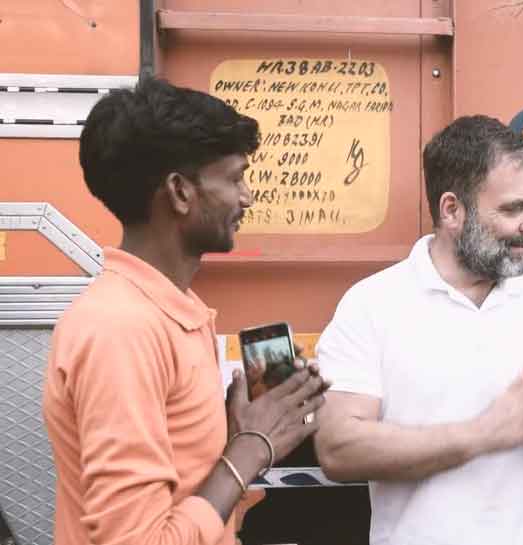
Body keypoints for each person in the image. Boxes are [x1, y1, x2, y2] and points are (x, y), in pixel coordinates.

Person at [42, 77, 327, 545]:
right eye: (235, 178)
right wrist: (248, 449)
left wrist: (237, 434)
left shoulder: (174, 310)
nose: (247, 197)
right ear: (179, 192)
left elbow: (184, 494)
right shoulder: (120, 328)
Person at [313, 115, 523, 545]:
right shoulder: (372, 304)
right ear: (452, 210)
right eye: (513, 209)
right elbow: (338, 448)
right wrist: (485, 432)